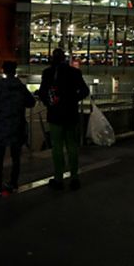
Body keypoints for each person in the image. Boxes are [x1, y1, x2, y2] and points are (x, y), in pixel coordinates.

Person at [38, 48, 90, 190]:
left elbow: (43, 92)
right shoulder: (75, 72)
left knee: (57, 147)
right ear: (65, 58)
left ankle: (58, 178)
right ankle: (74, 178)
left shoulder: (48, 73)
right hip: (71, 114)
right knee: (72, 146)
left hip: (55, 114)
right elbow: (85, 90)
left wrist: (49, 102)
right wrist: (74, 99)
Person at [0, 61, 36, 196]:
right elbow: (31, 102)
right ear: (15, 71)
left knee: (0, 157)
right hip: (17, 125)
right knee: (16, 157)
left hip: (2, 125)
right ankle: (13, 183)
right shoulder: (20, 86)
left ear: (4, 71)